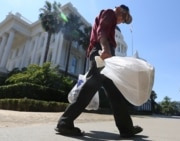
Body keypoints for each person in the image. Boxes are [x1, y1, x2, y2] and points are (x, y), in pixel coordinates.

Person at [55, 4, 143, 138]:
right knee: (90, 86)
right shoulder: (109, 13)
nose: (122, 21)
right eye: (123, 17)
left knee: (115, 93)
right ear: (119, 9)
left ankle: (126, 129)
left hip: (105, 53)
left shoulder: (113, 18)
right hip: (102, 52)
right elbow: (101, 31)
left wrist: (108, 51)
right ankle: (64, 122)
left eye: (124, 21)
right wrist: (106, 49)